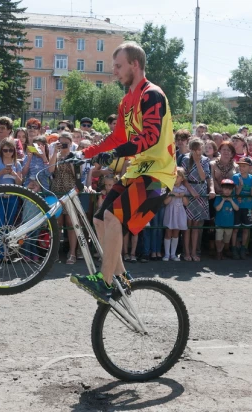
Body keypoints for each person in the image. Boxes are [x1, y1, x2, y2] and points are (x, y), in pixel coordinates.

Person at [69, 41, 176, 302]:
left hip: (157, 174)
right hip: (137, 171)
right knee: (99, 219)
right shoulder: (126, 100)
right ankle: (122, 278)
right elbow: (115, 139)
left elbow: (150, 137)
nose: (114, 72)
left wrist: (115, 154)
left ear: (134, 65)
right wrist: (84, 153)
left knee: (114, 219)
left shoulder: (152, 94)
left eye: (118, 66)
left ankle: (105, 282)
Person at [0, 138, 23, 265]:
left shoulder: (17, 163)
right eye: (5, 150)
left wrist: (13, 174)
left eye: (11, 150)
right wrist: (2, 172)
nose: (8, 153)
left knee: (9, 226)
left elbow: (20, 182)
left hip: (12, 196)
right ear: (1, 150)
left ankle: (6, 254)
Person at [48, 132, 81, 264]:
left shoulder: (74, 156)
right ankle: (54, 252)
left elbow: (76, 174)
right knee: (57, 223)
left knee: (71, 223)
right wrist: (55, 153)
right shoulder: (55, 156)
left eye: (66, 142)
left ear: (71, 143)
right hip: (57, 191)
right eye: (61, 142)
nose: (63, 145)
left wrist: (70, 157)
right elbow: (50, 171)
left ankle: (72, 253)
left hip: (71, 192)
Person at [182, 138, 213, 262]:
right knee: (188, 224)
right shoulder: (184, 159)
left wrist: (197, 162)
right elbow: (183, 178)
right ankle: (186, 252)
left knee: (196, 225)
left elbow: (204, 176)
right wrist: (191, 190)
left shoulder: (205, 160)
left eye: (200, 149)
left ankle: (195, 252)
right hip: (189, 189)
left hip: (201, 189)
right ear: (190, 149)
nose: (198, 152)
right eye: (195, 149)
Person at [162, 167, 189, 261]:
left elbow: (186, 203)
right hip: (170, 211)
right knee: (168, 232)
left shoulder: (184, 189)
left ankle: (173, 254)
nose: (175, 178)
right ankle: (166, 254)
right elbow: (165, 202)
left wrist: (183, 196)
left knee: (176, 233)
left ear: (182, 178)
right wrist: (172, 194)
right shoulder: (169, 188)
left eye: (177, 177)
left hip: (179, 212)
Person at [231, 156, 252, 260]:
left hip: (248, 207)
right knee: (235, 229)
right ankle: (234, 249)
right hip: (237, 207)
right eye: (240, 166)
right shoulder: (236, 177)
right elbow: (236, 193)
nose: (241, 168)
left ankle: (243, 248)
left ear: (249, 167)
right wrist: (240, 186)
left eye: (244, 166)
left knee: (246, 229)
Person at [214, 179, 238, 260]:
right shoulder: (218, 198)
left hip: (229, 223)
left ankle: (221, 251)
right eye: (225, 189)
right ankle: (218, 252)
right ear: (222, 189)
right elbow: (217, 208)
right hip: (219, 223)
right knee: (218, 239)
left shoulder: (233, 198)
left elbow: (237, 208)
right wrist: (223, 200)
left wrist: (231, 200)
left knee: (226, 240)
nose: (227, 191)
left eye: (229, 189)